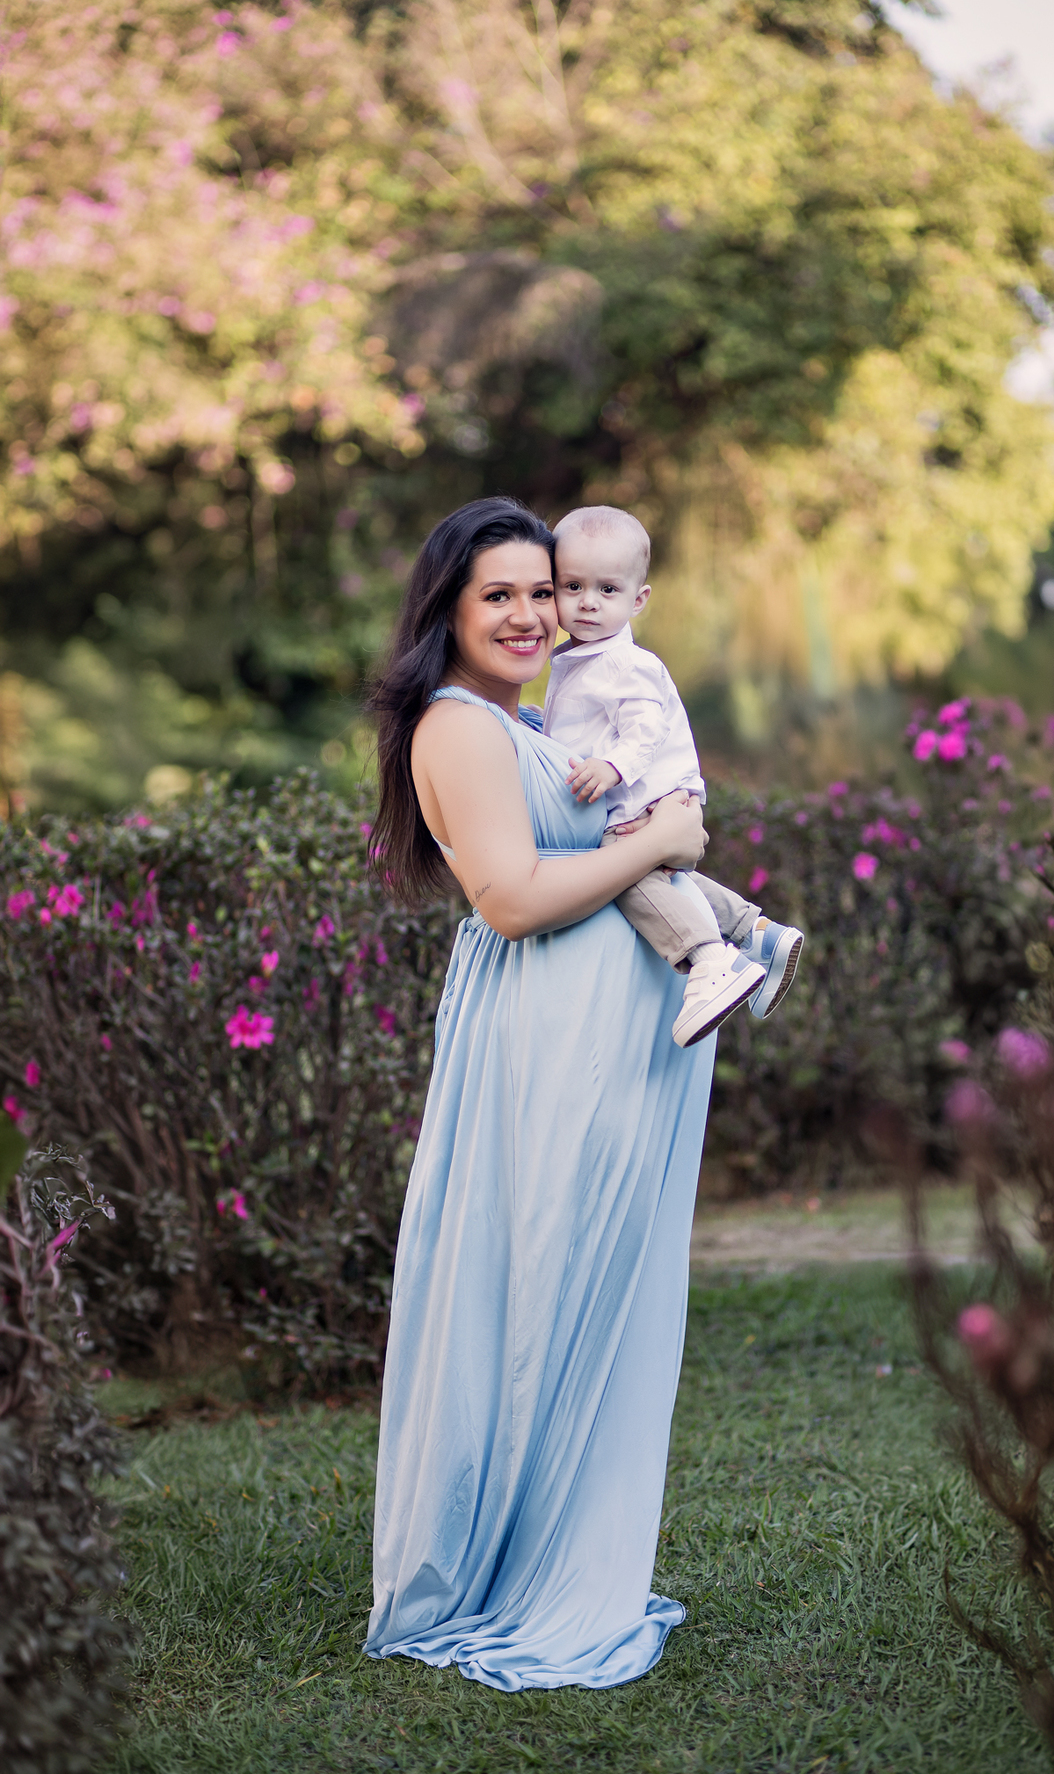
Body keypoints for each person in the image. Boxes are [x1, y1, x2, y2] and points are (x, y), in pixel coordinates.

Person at [363, 495, 718, 1692]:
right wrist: (664, 836)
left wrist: (662, 827)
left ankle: (570, 1549)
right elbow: (512, 899)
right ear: (449, 610)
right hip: (548, 1052)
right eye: (499, 594)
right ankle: (517, 1573)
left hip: (611, 1045)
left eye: (545, 590)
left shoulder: (548, 718)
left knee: (597, 1298)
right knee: (542, 1290)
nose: (532, 614)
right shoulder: (456, 726)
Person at [545, 505, 804, 1048]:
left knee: (623, 874)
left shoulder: (625, 664)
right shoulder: (583, 657)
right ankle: (756, 933)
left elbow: (644, 730)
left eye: (608, 590)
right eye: (573, 586)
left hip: (644, 796)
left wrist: (613, 767)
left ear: (638, 599)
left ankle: (708, 961)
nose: (588, 601)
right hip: (644, 796)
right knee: (662, 877)